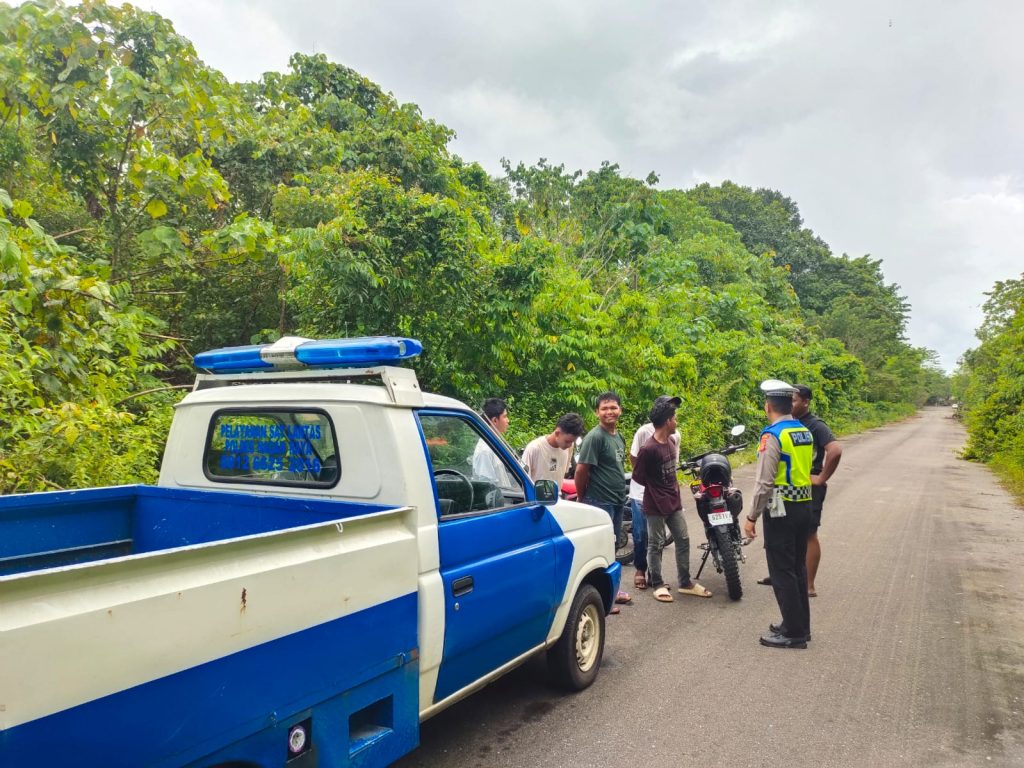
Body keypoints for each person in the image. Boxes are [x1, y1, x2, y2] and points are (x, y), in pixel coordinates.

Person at [743, 379, 814, 649]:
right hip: (804, 504)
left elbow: (764, 482)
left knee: (782, 570)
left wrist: (751, 517)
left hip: (781, 509)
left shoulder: (772, 435)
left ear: (767, 406)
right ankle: (799, 626)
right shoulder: (802, 431)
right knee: (797, 566)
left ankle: (793, 634)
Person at [756, 384, 843, 597]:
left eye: (794, 400)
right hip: (785, 493)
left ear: (806, 402)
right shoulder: (791, 425)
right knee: (784, 536)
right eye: (789, 400)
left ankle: (808, 584)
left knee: (808, 534)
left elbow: (835, 449)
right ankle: (781, 575)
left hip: (806, 489)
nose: (791, 404)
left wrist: (821, 477)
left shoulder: (814, 425)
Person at [631, 397, 711, 603]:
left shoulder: (672, 440)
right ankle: (657, 583)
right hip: (655, 504)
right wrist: (657, 489)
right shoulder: (648, 449)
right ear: (667, 421)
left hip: (673, 501)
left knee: (683, 539)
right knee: (655, 544)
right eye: (674, 418)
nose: (676, 422)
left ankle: (685, 583)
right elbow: (638, 476)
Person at [574, 391, 631, 611]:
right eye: (604, 408)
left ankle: (613, 591)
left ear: (620, 410)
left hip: (616, 500)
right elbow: (581, 470)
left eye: (613, 407)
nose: (609, 412)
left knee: (613, 546)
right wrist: (582, 497)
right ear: (597, 412)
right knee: (599, 550)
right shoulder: (595, 437)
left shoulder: (618, 436)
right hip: (599, 501)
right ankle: (600, 598)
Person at [628, 396, 682, 591]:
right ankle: (640, 570)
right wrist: (649, 479)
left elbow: (672, 464)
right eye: (670, 408)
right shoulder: (644, 432)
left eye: (674, 409)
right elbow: (635, 458)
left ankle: (654, 575)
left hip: (663, 494)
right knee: (642, 534)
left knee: (656, 537)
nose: (673, 413)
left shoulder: (675, 434)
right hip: (641, 492)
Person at [521, 413, 585, 484]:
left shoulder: (569, 447)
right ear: (557, 433)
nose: (569, 445)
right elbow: (523, 479)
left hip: (556, 494)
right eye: (567, 441)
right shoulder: (534, 448)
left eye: (572, 442)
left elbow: (555, 470)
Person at [473, 397, 514, 488]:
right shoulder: (485, 451)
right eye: (505, 416)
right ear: (495, 420)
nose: (508, 420)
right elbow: (486, 488)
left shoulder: (494, 444)